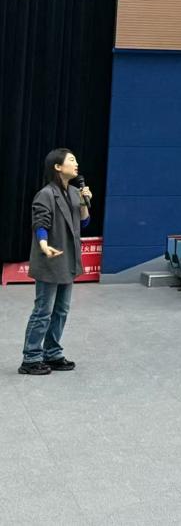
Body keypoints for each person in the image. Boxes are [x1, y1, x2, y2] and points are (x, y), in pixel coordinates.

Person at [20, 148, 92, 375]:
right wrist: (43, 244)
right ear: (58, 167)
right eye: (71, 160)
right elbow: (40, 222)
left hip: (68, 260)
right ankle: (31, 358)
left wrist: (84, 203)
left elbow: (84, 223)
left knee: (61, 310)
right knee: (44, 310)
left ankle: (52, 353)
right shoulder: (46, 194)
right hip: (50, 260)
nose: (76, 163)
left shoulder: (74, 192)